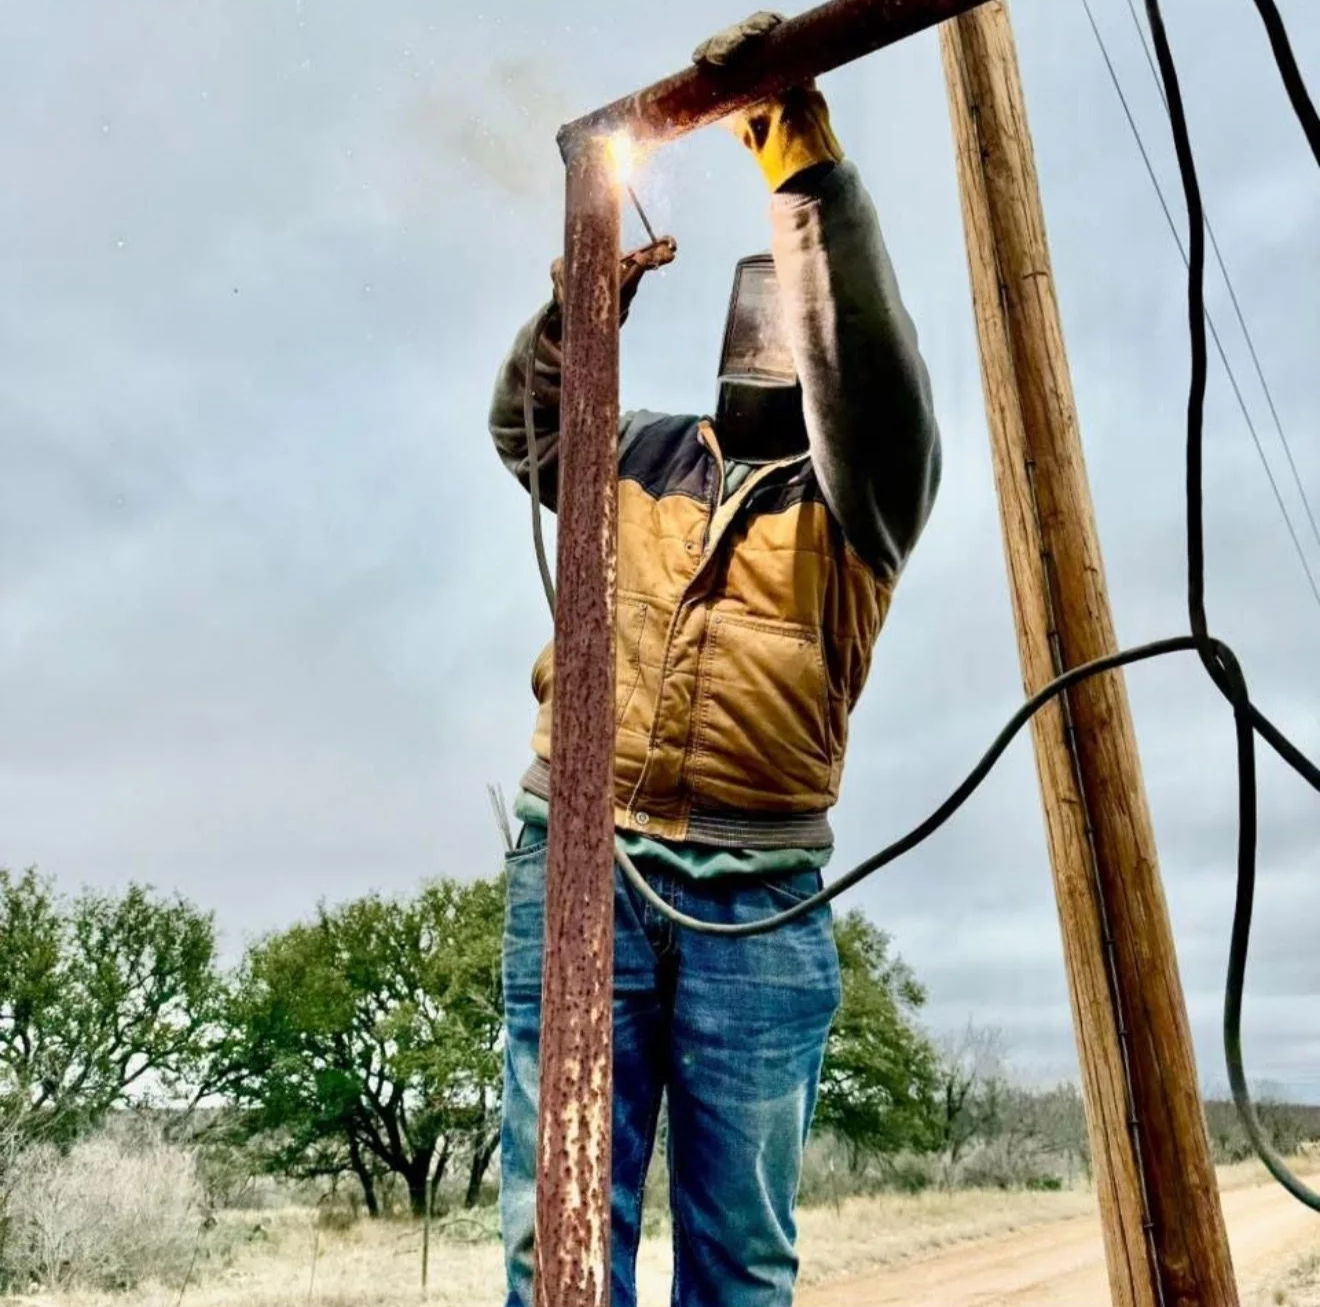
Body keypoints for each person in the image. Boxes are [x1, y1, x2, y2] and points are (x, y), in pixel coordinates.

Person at [486, 12, 941, 1306]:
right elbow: (526, 426)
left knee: (740, 1262)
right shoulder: (636, 449)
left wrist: (796, 151)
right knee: (559, 1244)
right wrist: (584, 303)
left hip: (762, 896)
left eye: (788, 330)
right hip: (582, 858)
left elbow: (874, 374)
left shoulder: (867, 493)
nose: (768, 343)